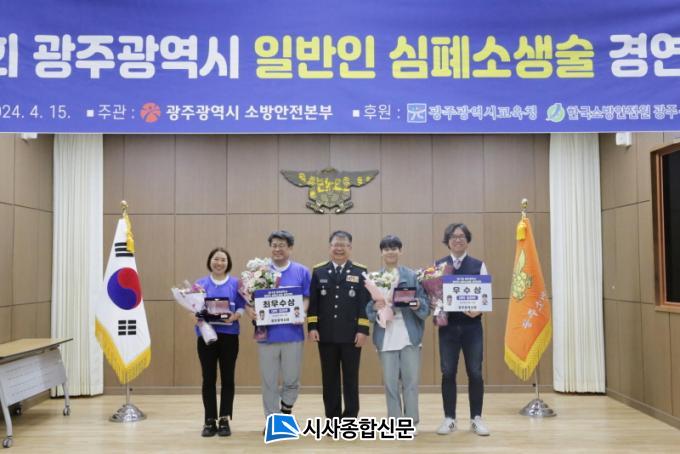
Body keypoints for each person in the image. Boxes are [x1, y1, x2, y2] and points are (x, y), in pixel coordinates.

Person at [245, 230, 311, 424]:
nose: (277, 249)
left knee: (292, 380)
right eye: (274, 245)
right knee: (269, 382)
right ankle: (273, 421)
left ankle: (286, 408)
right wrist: (250, 311)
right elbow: (248, 299)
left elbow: (306, 297)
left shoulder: (301, 271)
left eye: (282, 245)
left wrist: (302, 312)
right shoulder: (260, 272)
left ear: (290, 248)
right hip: (267, 335)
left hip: (293, 334)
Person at [365, 235, 429, 434]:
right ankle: (395, 422)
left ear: (400, 251)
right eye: (386, 249)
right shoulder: (374, 278)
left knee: (410, 382)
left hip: (409, 335)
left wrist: (417, 304)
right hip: (386, 336)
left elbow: (425, 306)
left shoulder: (412, 276)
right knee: (390, 383)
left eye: (394, 248)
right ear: (381, 253)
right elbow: (368, 310)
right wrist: (376, 307)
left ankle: (411, 422)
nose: (390, 252)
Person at [434, 223, 490, 436]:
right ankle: (449, 418)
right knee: (448, 372)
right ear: (447, 241)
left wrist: (479, 309)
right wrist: (437, 305)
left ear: (467, 240)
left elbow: (485, 296)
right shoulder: (438, 266)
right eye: (453, 236)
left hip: (472, 327)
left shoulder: (478, 265)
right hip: (448, 328)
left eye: (462, 236)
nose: (458, 239)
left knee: (475, 372)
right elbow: (434, 296)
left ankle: (476, 418)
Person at [307, 230, 370, 419]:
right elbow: (314, 303)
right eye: (336, 245)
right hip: (326, 335)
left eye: (343, 245)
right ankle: (332, 418)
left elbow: (364, 304)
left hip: (351, 336)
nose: (339, 248)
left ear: (350, 248)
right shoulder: (319, 271)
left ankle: (350, 418)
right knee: (329, 379)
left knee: (351, 379)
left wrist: (363, 330)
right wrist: (312, 327)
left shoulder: (360, 271)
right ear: (330, 247)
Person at [194, 247, 247, 437]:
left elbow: (242, 306)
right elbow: (193, 307)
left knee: (228, 378)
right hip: (206, 337)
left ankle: (224, 419)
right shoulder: (200, 284)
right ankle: (209, 420)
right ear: (210, 261)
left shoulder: (236, 283)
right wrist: (197, 317)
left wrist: (235, 316)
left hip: (229, 336)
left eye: (223, 260)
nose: (219, 263)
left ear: (228, 263)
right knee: (208, 378)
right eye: (216, 259)